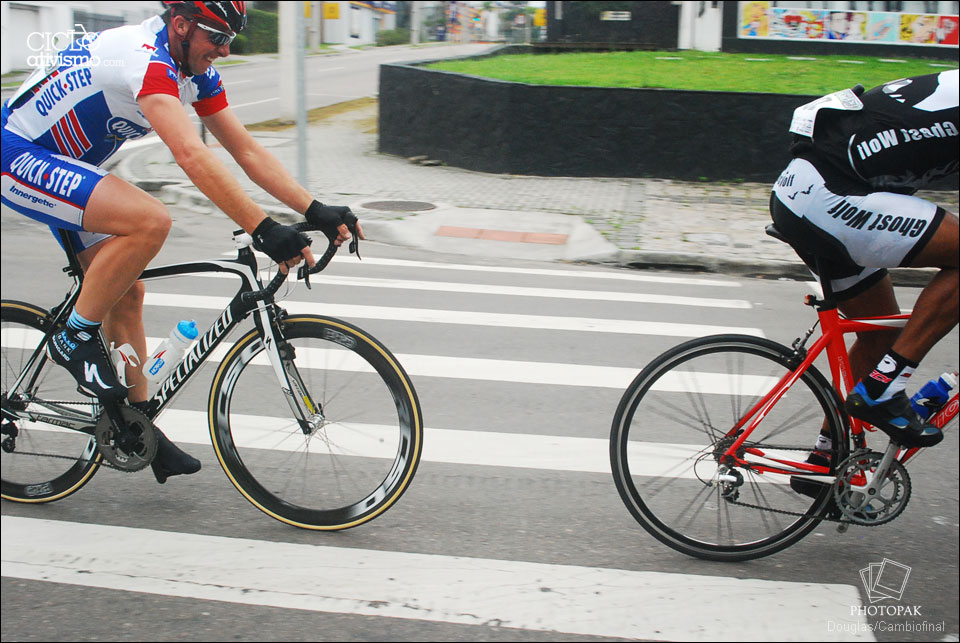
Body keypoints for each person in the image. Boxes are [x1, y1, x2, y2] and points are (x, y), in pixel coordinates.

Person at [1, 1, 363, 483]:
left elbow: (246, 149)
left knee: (127, 293)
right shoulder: (146, 58)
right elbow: (190, 153)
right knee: (150, 220)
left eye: (230, 38)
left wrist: (314, 209)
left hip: (70, 166)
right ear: (181, 26)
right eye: (218, 37)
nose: (226, 50)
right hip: (17, 153)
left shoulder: (195, 71)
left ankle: (135, 425)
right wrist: (263, 229)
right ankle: (73, 337)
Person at [769, 69, 958, 463]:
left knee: (879, 336)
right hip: (830, 196)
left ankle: (827, 457)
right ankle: (882, 389)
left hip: (803, 194)